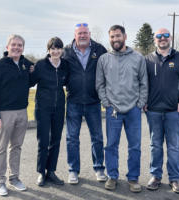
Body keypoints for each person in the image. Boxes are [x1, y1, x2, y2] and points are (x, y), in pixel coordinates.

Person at [96, 25, 148, 192]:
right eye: (112, 36)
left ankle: (133, 178)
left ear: (125, 36)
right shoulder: (104, 59)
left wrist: (139, 104)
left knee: (135, 146)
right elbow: (100, 84)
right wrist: (106, 103)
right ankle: (112, 176)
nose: (115, 39)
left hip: (133, 109)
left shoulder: (138, 58)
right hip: (113, 111)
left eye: (118, 36)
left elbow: (143, 83)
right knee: (111, 145)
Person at [144, 28, 179, 194]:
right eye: (159, 36)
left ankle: (174, 179)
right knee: (155, 145)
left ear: (170, 38)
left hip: (174, 111)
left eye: (165, 35)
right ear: (155, 40)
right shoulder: (147, 59)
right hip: (153, 111)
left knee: (173, 146)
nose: (162, 39)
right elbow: (142, 83)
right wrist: (144, 101)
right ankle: (155, 177)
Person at [0, 34, 34, 196]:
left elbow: (31, 79)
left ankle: (14, 178)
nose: (17, 47)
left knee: (16, 147)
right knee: (1, 148)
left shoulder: (24, 64)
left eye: (20, 45)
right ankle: (0, 181)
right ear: (7, 47)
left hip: (22, 112)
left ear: (23, 48)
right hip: (4, 113)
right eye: (13, 45)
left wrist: (29, 65)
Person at [63, 23, 107, 184]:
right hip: (73, 101)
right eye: (79, 33)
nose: (82, 36)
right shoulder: (66, 51)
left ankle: (99, 168)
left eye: (85, 33)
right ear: (75, 35)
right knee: (72, 138)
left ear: (90, 34)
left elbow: (107, 72)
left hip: (93, 101)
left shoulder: (100, 50)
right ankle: (73, 170)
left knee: (97, 137)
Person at [29, 37, 68, 187]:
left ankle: (51, 171)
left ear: (62, 50)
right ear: (48, 50)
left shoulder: (65, 65)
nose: (56, 51)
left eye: (58, 48)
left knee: (56, 140)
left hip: (59, 108)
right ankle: (41, 173)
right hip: (42, 108)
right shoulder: (40, 65)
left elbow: (68, 81)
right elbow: (30, 81)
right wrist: (29, 68)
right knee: (43, 141)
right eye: (53, 48)